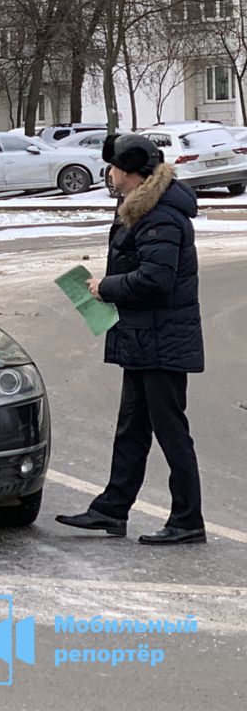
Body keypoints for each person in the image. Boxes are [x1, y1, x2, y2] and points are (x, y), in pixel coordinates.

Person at [56, 133, 207, 545]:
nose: (108, 174)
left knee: (171, 431)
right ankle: (112, 509)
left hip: (163, 342)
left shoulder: (160, 217)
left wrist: (107, 287)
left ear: (130, 172)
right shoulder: (143, 210)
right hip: (144, 339)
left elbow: (158, 280)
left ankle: (188, 520)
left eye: (113, 167)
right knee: (132, 429)